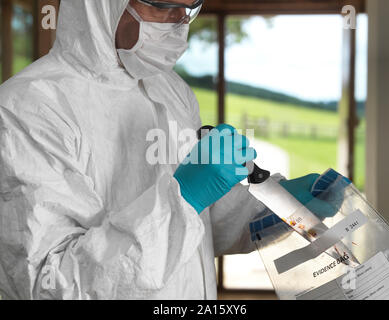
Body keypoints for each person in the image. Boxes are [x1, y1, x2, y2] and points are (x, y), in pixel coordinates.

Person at [0, 0, 326, 300]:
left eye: (190, 7)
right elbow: (52, 285)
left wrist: (281, 208)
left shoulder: (172, 91)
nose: (180, 21)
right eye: (164, 4)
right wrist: (183, 199)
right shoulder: (28, 107)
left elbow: (202, 229)